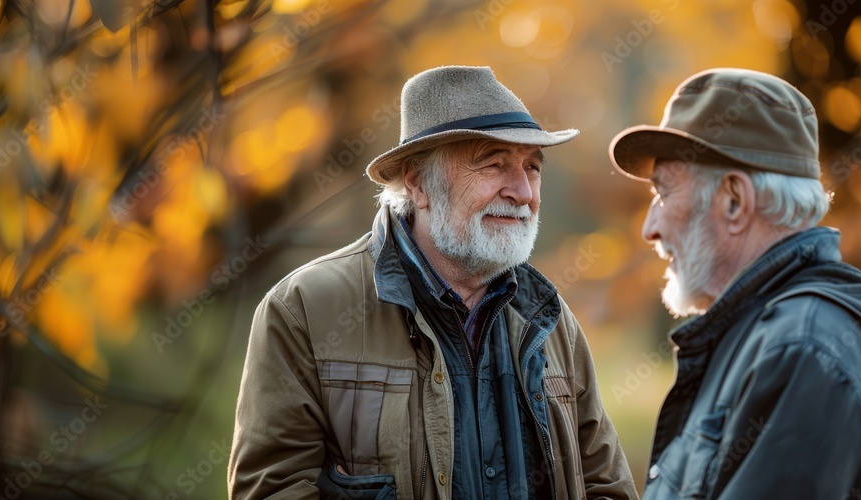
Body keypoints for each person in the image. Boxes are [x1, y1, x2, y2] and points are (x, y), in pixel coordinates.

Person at [229, 65, 638, 499]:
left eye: (532, 167)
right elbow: (271, 488)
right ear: (418, 182)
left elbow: (605, 485)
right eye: (494, 164)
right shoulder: (305, 310)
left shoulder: (550, 320)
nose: (522, 191)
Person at [609, 67, 861, 499]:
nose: (649, 227)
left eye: (663, 194)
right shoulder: (773, 336)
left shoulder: (802, 350)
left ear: (735, 201)